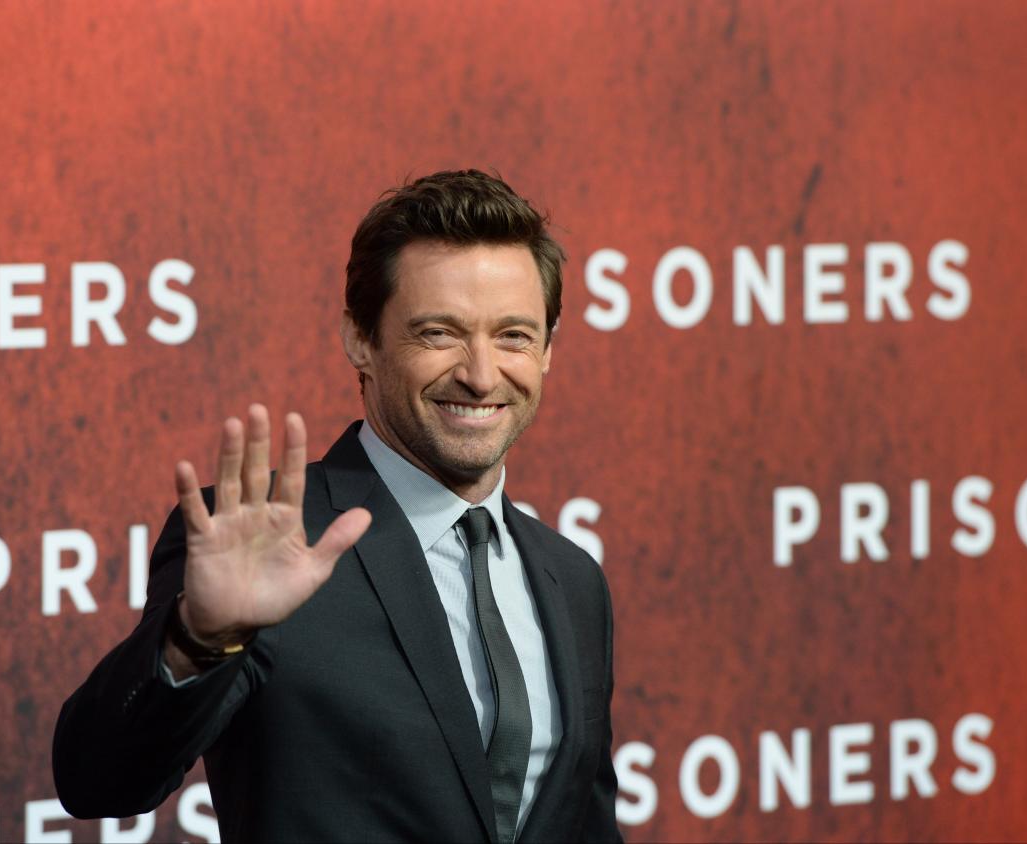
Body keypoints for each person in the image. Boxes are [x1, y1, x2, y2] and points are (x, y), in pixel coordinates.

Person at [52, 170, 622, 843]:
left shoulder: (573, 579)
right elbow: (99, 780)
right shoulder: (267, 543)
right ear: (360, 340)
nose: (480, 372)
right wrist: (197, 641)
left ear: (549, 349)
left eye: (515, 337)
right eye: (439, 333)